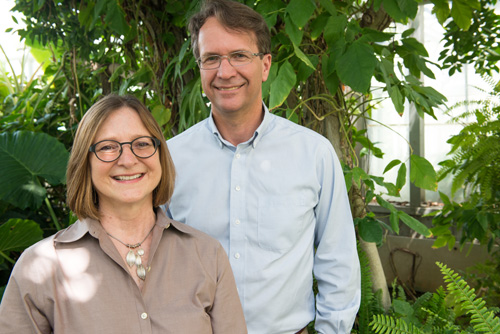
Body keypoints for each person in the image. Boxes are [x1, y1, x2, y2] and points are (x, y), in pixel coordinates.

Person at [165, 0, 361, 333]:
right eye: (211, 58)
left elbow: (337, 262)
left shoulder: (313, 154)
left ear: (266, 65)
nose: (225, 72)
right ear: (199, 67)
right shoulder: (171, 160)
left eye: (240, 55)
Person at [0, 94, 247, 334]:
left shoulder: (206, 255)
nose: (128, 160)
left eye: (141, 144)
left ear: (159, 154)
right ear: (84, 162)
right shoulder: (40, 268)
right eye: (108, 147)